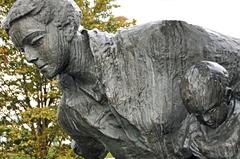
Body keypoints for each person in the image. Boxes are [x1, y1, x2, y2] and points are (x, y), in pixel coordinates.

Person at [178, 61, 240, 159]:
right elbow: (186, 145)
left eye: (211, 111)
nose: (206, 119)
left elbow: (230, 149)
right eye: (198, 115)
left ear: (227, 96)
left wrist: (204, 148)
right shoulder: (197, 118)